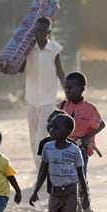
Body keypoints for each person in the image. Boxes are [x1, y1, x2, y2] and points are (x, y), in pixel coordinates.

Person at [30, 114, 90, 212]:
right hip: (55, 193)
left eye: (56, 127)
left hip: (71, 192)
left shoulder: (74, 150)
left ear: (68, 131)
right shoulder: (47, 147)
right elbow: (43, 170)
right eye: (50, 126)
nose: (51, 129)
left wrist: (85, 198)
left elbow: (81, 174)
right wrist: (35, 190)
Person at [58, 72, 104, 212]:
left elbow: (101, 124)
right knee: (68, 186)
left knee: (81, 184)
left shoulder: (90, 109)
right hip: (63, 151)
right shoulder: (62, 107)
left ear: (82, 89)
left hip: (81, 151)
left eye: (71, 87)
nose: (68, 90)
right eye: (66, 87)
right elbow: (53, 126)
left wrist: (86, 137)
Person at [21, 16, 65, 166]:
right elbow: (20, 68)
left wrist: (68, 91)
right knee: (32, 131)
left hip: (48, 97)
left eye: (43, 30)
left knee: (42, 131)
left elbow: (60, 71)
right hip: (31, 96)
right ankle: (37, 162)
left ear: (49, 32)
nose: (40, 33)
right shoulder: (28, 49)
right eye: (37, 30)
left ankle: (41, 160)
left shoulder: (54, 49)